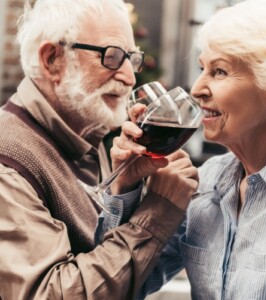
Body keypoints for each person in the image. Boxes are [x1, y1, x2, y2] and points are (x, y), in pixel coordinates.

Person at [0, 0, 199, 299]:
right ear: (53, 59)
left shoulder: (89, 139)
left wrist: (125, 191)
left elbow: (120, 283)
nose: (129, 77)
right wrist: (158, 210)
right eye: (112, 56)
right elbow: (50, 294)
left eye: (132, 58)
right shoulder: (9, 161)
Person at [107, 0, 266, 299]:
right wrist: (125, 185)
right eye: (202, 69)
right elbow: (121, 288)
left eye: (220, 71)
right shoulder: (205, 182)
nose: (197, 88)